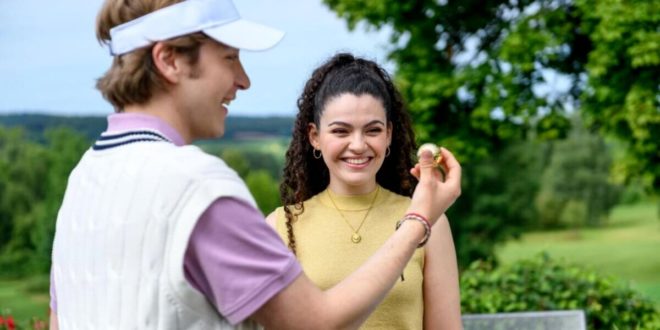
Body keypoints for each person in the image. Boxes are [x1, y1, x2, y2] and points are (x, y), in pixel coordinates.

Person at [49, 0, 462, 329]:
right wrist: (418, 221)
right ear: (170, 60)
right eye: (229, 58)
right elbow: (317, 324)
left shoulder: (85, 178)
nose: (243, 79)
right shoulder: (196, 187)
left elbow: (59, 319)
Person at [266, 53, 462, 329]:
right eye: (341, 131)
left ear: (389, 134)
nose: (358, 145)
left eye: (372, 130)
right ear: (315, 137)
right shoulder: (279, 227)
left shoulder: (430, 222)